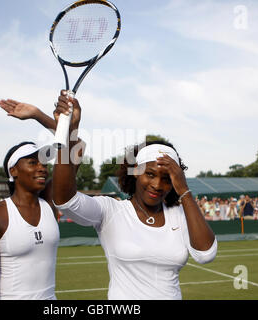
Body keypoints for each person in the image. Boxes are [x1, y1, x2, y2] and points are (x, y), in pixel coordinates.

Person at [52, 90, 217, 300]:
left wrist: (183, 190)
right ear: (135, 172)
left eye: (167, 178)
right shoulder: (111, 210)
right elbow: (65, 200)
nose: (157, 184)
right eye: (149, 174)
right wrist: (69, 131)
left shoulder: (179, 214)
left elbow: (206, 254)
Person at [0, 99, 85, 300]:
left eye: (44, 162)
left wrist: (40, 116)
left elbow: (77, 148)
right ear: (13, 170)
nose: (42, 167)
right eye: (32, 162)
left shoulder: (51, 202)